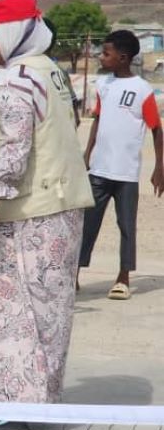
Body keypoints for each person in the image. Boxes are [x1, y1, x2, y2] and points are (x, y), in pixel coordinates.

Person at [0, 0, 94, 429]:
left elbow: (14, 150)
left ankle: (17, 411)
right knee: (50, 313)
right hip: (61, 207)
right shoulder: (51, 72)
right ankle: (37, 404)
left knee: (15, 313)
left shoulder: (19, 79)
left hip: (28, 214)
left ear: (13, 33)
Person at [78, 29, 164, 300]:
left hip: (126, 173)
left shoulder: (142, 90)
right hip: (99, 170)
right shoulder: (103, 86)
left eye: (106, 53)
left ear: (123, 57)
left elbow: (156, 130)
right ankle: (73, 274)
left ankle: (123, 277)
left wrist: (159, 167)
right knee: (87, 224)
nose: (101, 57)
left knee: (127, 225)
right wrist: (86, 154)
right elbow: (98, 122)